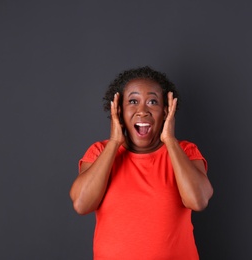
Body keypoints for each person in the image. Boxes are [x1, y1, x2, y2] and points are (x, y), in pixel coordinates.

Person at [70, 66, 213, 259]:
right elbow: (82, 204)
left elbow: (198, 201)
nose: (142, 111)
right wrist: (114, 143)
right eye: (133, 101)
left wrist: (170, 140)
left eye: (152, 101)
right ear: (119, 109)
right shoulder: (99, 152)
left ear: (166, 110)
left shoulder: (185, 152)